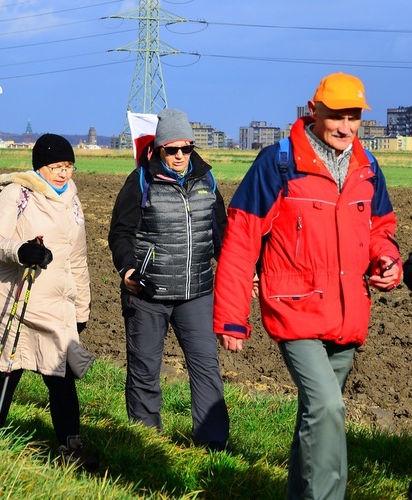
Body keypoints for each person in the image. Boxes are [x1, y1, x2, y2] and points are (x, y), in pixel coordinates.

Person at [213, 72, 401, 499]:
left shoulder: (367, 166)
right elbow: (242, 238)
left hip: (348, 309)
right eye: (336, 116)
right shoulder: (277, 164)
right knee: (328, 407)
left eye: (353, 117)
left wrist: (387, 259)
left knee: (315, 416)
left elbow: (379, 228)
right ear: (313, 112)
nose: (345, 127)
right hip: (293, 309)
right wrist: (231, 316)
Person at [107, 108, 230, 451]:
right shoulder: (140, 180)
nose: (179, 156)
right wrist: (128, 270)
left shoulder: (207, 180)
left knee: (206, 367)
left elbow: (221, 234)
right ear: (158, 149)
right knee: (145, 369)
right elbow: (120, 233)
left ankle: (213, 445)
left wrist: (239, 271)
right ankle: (147, 444)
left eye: (185, 149)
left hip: (197, 292)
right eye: (171, 150)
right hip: (148, 293)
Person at [0, 133, 97, 469]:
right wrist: (22, 251)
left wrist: (82, 307)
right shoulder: (18, 194)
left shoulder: (73, 201)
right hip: (14, 297)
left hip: (55, 304)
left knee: (61, 374)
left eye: (69, 166)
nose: (63, 173)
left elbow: (78, 257)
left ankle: (70, 448)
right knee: (7, 370)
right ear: (40, 167)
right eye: (56, 166)